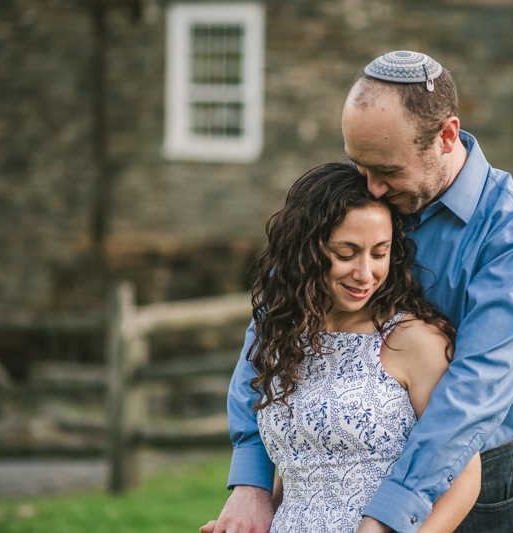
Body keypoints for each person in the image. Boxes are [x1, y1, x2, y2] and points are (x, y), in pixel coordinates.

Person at [210, 50, 513, 533]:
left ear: (446, 136)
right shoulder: (357, 194)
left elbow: (476, 388)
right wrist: (252, 482)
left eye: (387, 171)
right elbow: (272, 325)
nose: (369, 188)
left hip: (469, 474)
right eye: (358, 165)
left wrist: (391, 514)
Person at [201, 163, 480, 533]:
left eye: (378, 253)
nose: (365, 274)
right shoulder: (286, 336)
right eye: (346, 254)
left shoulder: (415, 341)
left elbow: (463, 474)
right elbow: (305, 466)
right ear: (305, 251)